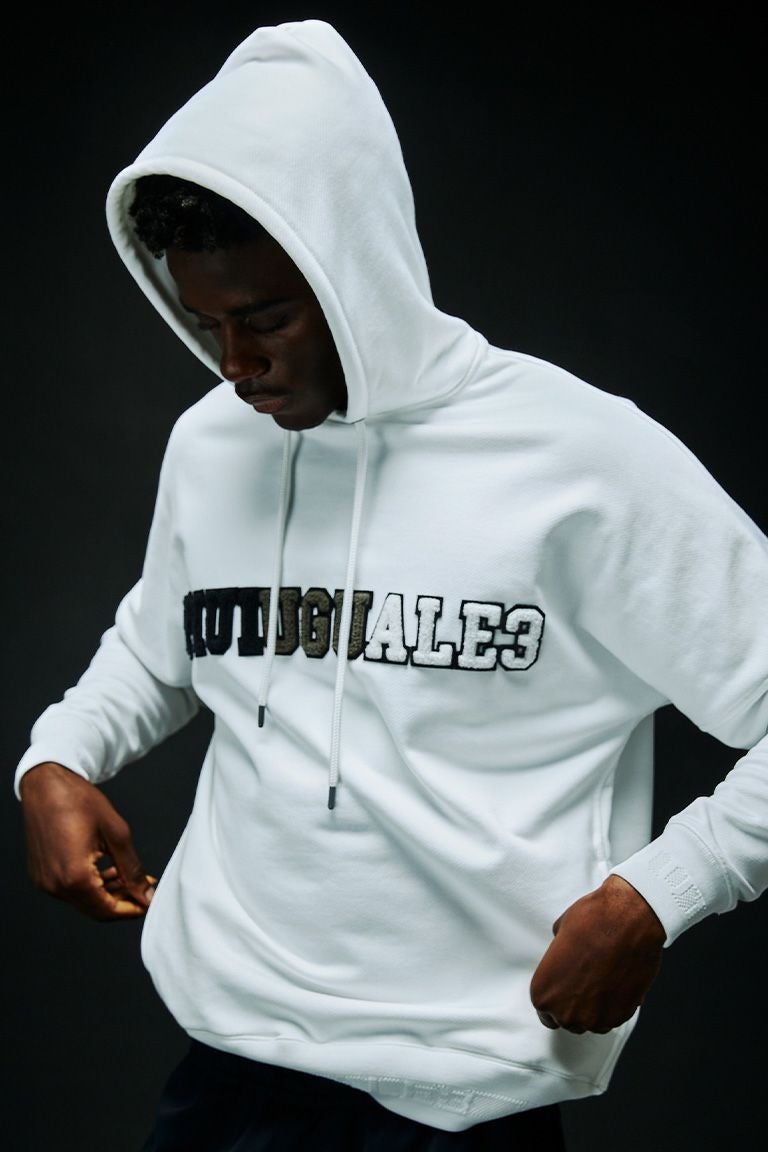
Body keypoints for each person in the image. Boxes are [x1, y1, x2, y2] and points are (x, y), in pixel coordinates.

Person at [15, 17, 768, 1152]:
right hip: (226, 1066)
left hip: (462, 1091)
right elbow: (167, 642)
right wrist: (58, 758)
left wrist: (658, 895)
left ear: (354, 269)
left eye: (265, 320)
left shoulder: (582, 459)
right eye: (203, 322)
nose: (235, 365)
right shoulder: (213, 442)